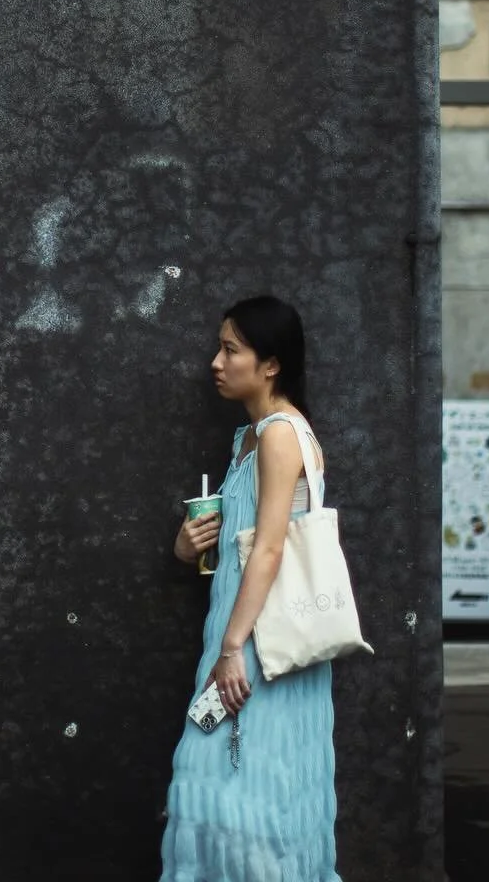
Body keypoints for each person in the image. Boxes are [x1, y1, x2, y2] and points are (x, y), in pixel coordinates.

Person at [160, 295, 341, 882]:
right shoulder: (249, 437)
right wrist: (189, 547)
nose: (216, 361)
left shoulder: (282, 434)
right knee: (230, 790)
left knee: (251, 797)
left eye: (231, 350)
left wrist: (233, 649)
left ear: (271, 364)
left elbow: (268, 549)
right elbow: (240, 549)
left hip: (261, 648)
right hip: (239, 638)